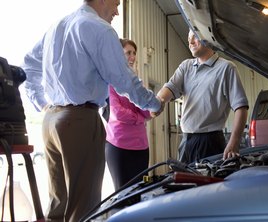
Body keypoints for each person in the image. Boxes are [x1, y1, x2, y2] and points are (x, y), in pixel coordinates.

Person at [21, 0, 164, 221]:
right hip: (80, 119)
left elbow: (28, 65)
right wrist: (155, 104)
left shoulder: (56, 27)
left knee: (58, 204)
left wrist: (42, 104)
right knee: (83, 206)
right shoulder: (99, 29)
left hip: (51, 121)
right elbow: (124, 80)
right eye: (116, 3)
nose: (117, 11)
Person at [155, 29, 248, 164]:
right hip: (186, 141)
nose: (191, 42)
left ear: (207, 37)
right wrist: (159, 101)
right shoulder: (186, 66)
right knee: (185, 183)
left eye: (194, 37)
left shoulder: (226, 68)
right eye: (188, 39)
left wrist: (234, 142)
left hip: (211, 142)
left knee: (211, 183)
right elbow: (169, 87)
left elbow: (241, 108)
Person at [105, 38, 151, 190]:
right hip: (119, 144)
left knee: (140, 192)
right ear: (118, 54)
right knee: (122, 193)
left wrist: (140, 91)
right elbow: (117, 112)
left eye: (134, 53)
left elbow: (148, 111)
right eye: (128, 53)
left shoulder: (137, 82)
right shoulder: (110, 82)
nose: (132, 57)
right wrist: (138, 117)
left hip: (141, 146)